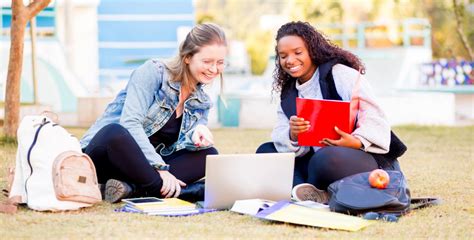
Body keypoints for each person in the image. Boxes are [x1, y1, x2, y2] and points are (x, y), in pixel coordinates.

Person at [256, 21, 406, 203]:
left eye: (297, 52)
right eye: (283, 56)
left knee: (324, 159)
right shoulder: (289, 93)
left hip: (354, 158)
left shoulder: (340, 74)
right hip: (314, 161)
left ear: (312, 50)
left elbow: (374, 116)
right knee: (266, 151)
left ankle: (307, 190)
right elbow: (281, 136)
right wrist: (293, 134)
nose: (290, 60)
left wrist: (355, 142)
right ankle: (307, 191)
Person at [80, 23, 228, 203]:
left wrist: (195, 138)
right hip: (108, 156)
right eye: (207, 62)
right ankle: (185, 192)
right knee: (115, 132)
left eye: (220, 63)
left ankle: (132, 189)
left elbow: (181, 147)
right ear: (187, 57)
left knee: (209, 155)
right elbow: (130, 123)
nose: (214, 69)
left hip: (140, 170)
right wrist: (160, 168)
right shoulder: (153, 72)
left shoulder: (202, 102)